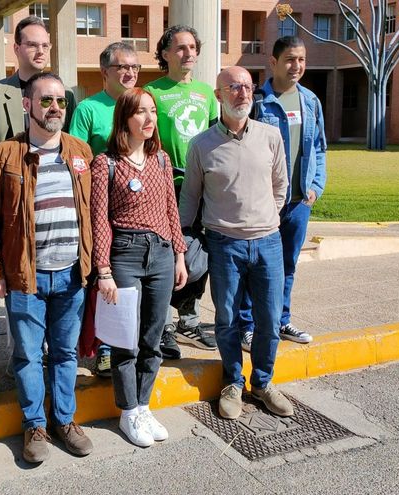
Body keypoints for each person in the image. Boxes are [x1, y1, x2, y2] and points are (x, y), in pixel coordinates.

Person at [0, 72, 94, 464]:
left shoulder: (80, 152)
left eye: (60, 100)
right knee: (28, 356)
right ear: (27, 105)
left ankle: (64, 420)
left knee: (65, 354)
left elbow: (92, 214)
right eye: (46, 101)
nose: (55, 107)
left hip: (72, 274)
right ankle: (34, 425)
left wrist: (95, 266)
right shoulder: (4, 155)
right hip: (26, 276)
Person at [179, 66, 293, 421]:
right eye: (233, 87)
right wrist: (180, 243)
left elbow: (281, 186)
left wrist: (263, 219)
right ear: (218, 95)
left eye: (247, 87)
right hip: (223, 244)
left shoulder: (271, 136)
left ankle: (262, 382)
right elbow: (190, 198)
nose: (242, 93)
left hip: (268, 243)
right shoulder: (201, 145)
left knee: (269, 318)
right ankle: (232, 381)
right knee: (227, 319)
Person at [90, 87, 187, 447]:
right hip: (125, 254)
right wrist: (103, 271)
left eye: (152, 111)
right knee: (125, 341)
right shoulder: (107, 163)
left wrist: (179, 254)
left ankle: (144, 405)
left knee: (152, 337)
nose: (148, 119)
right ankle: (128, 411)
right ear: (125, 119)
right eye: (140, 112)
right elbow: (99, 219)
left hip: (161, 253)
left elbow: (170, 210)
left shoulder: (160, 160)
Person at [240, 36, 327, 352]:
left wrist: (315, 186)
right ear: (273, 62)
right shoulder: (258, 101)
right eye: (290, 59)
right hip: (263, 203)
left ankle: (280, 320)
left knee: (288, 265)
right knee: (256, 265)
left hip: (298, 202)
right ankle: (248, 326)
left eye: (301, 59)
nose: (297, 66)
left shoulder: (310, 101)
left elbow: (319, 146)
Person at [145, 25, 219, 359]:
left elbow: (217, 137)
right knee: (165, 258)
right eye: (180, 48)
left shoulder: (207, 93)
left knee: (198, 256)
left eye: (193, 47)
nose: (188, 53)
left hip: (202, 188)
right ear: (164, 53)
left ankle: (189, 318)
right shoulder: (153, 92)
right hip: (166, 188)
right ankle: (162, 328)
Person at [69, 41, 141, 378]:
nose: (129, 73)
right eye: (122, 67)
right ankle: (104, 349)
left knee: (128, 280)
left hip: (136, 209)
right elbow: (76, 157)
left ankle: (131, 342)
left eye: (134, 67)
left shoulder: (140, 105)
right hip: (102, 207)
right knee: (103, 279)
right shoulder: (88, 109)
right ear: (104, 72)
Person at [0, 15, 77, 143]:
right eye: (32, 45)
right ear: (16, 48)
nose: (40, 51)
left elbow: (70, 144)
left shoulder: (66, 94)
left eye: (45, 46)